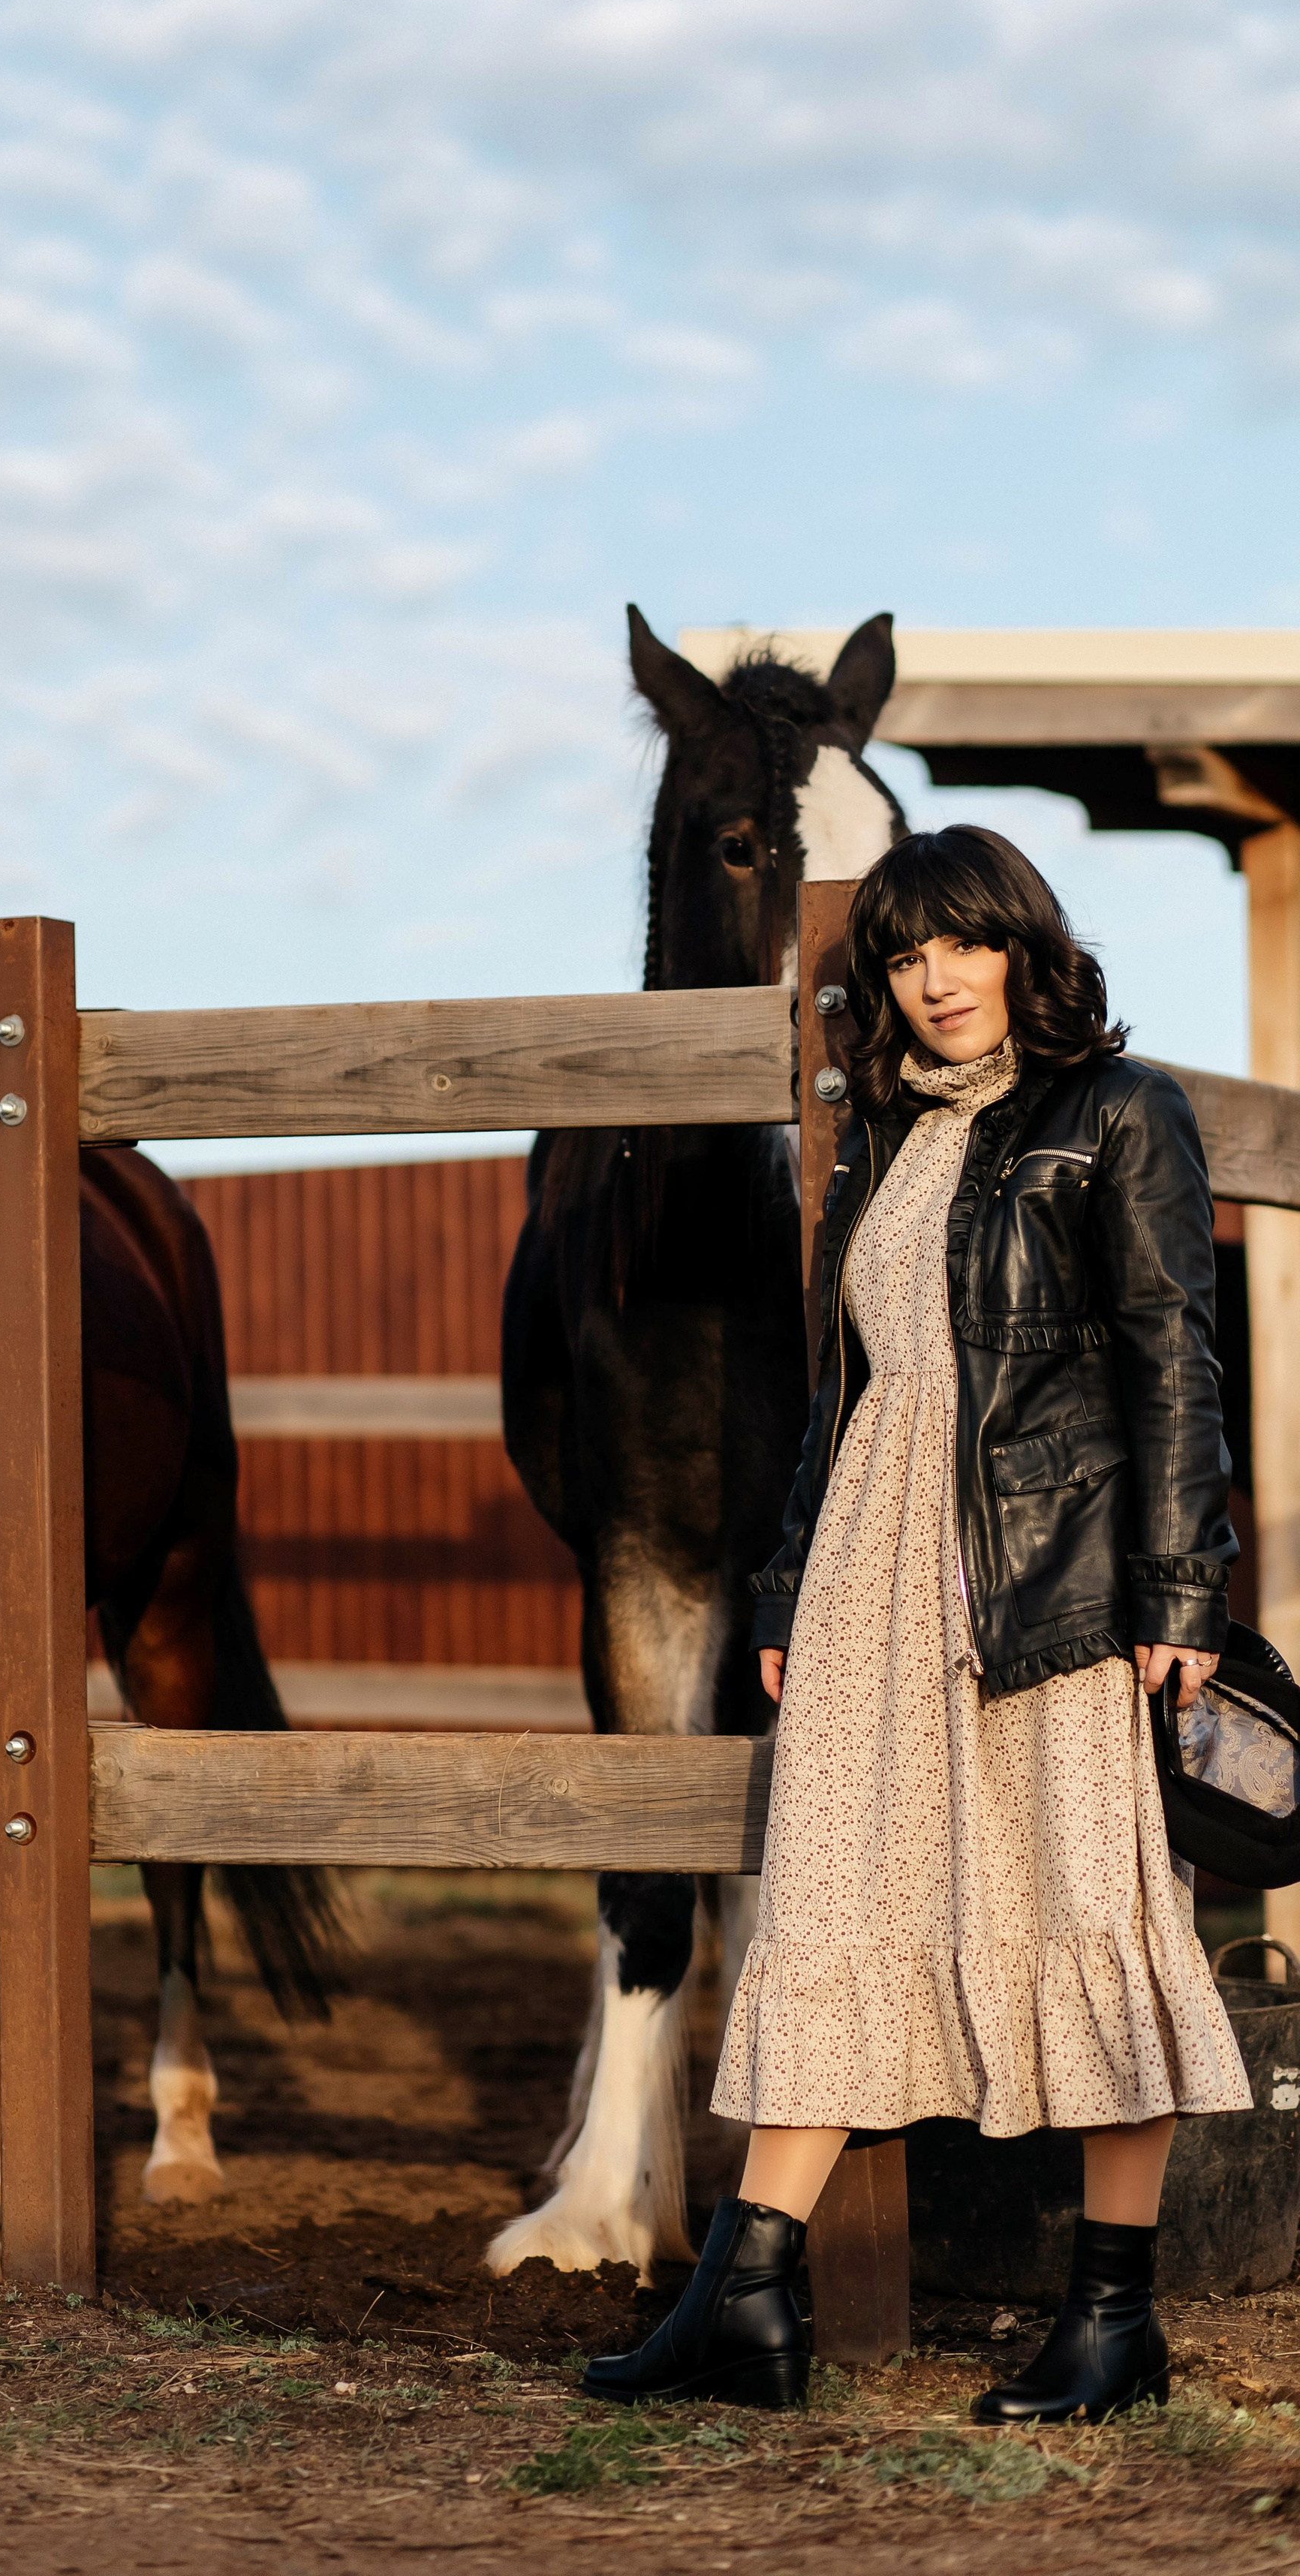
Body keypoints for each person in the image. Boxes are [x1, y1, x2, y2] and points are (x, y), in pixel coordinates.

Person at [583, 824, 1250, 2421]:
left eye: (961, 942)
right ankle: (742, 2298)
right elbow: (846, 1396)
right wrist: (784, 1588)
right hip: (870, 1581)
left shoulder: (1117, 1113)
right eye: (901, 954)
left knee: (1085, 1915)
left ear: (1024, 944)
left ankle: (1111, 2319)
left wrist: (1176, 1594)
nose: (934, 979)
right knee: (829, 1905)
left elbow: (1171, 1361)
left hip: (1045, 1582)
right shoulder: (882, 1138)